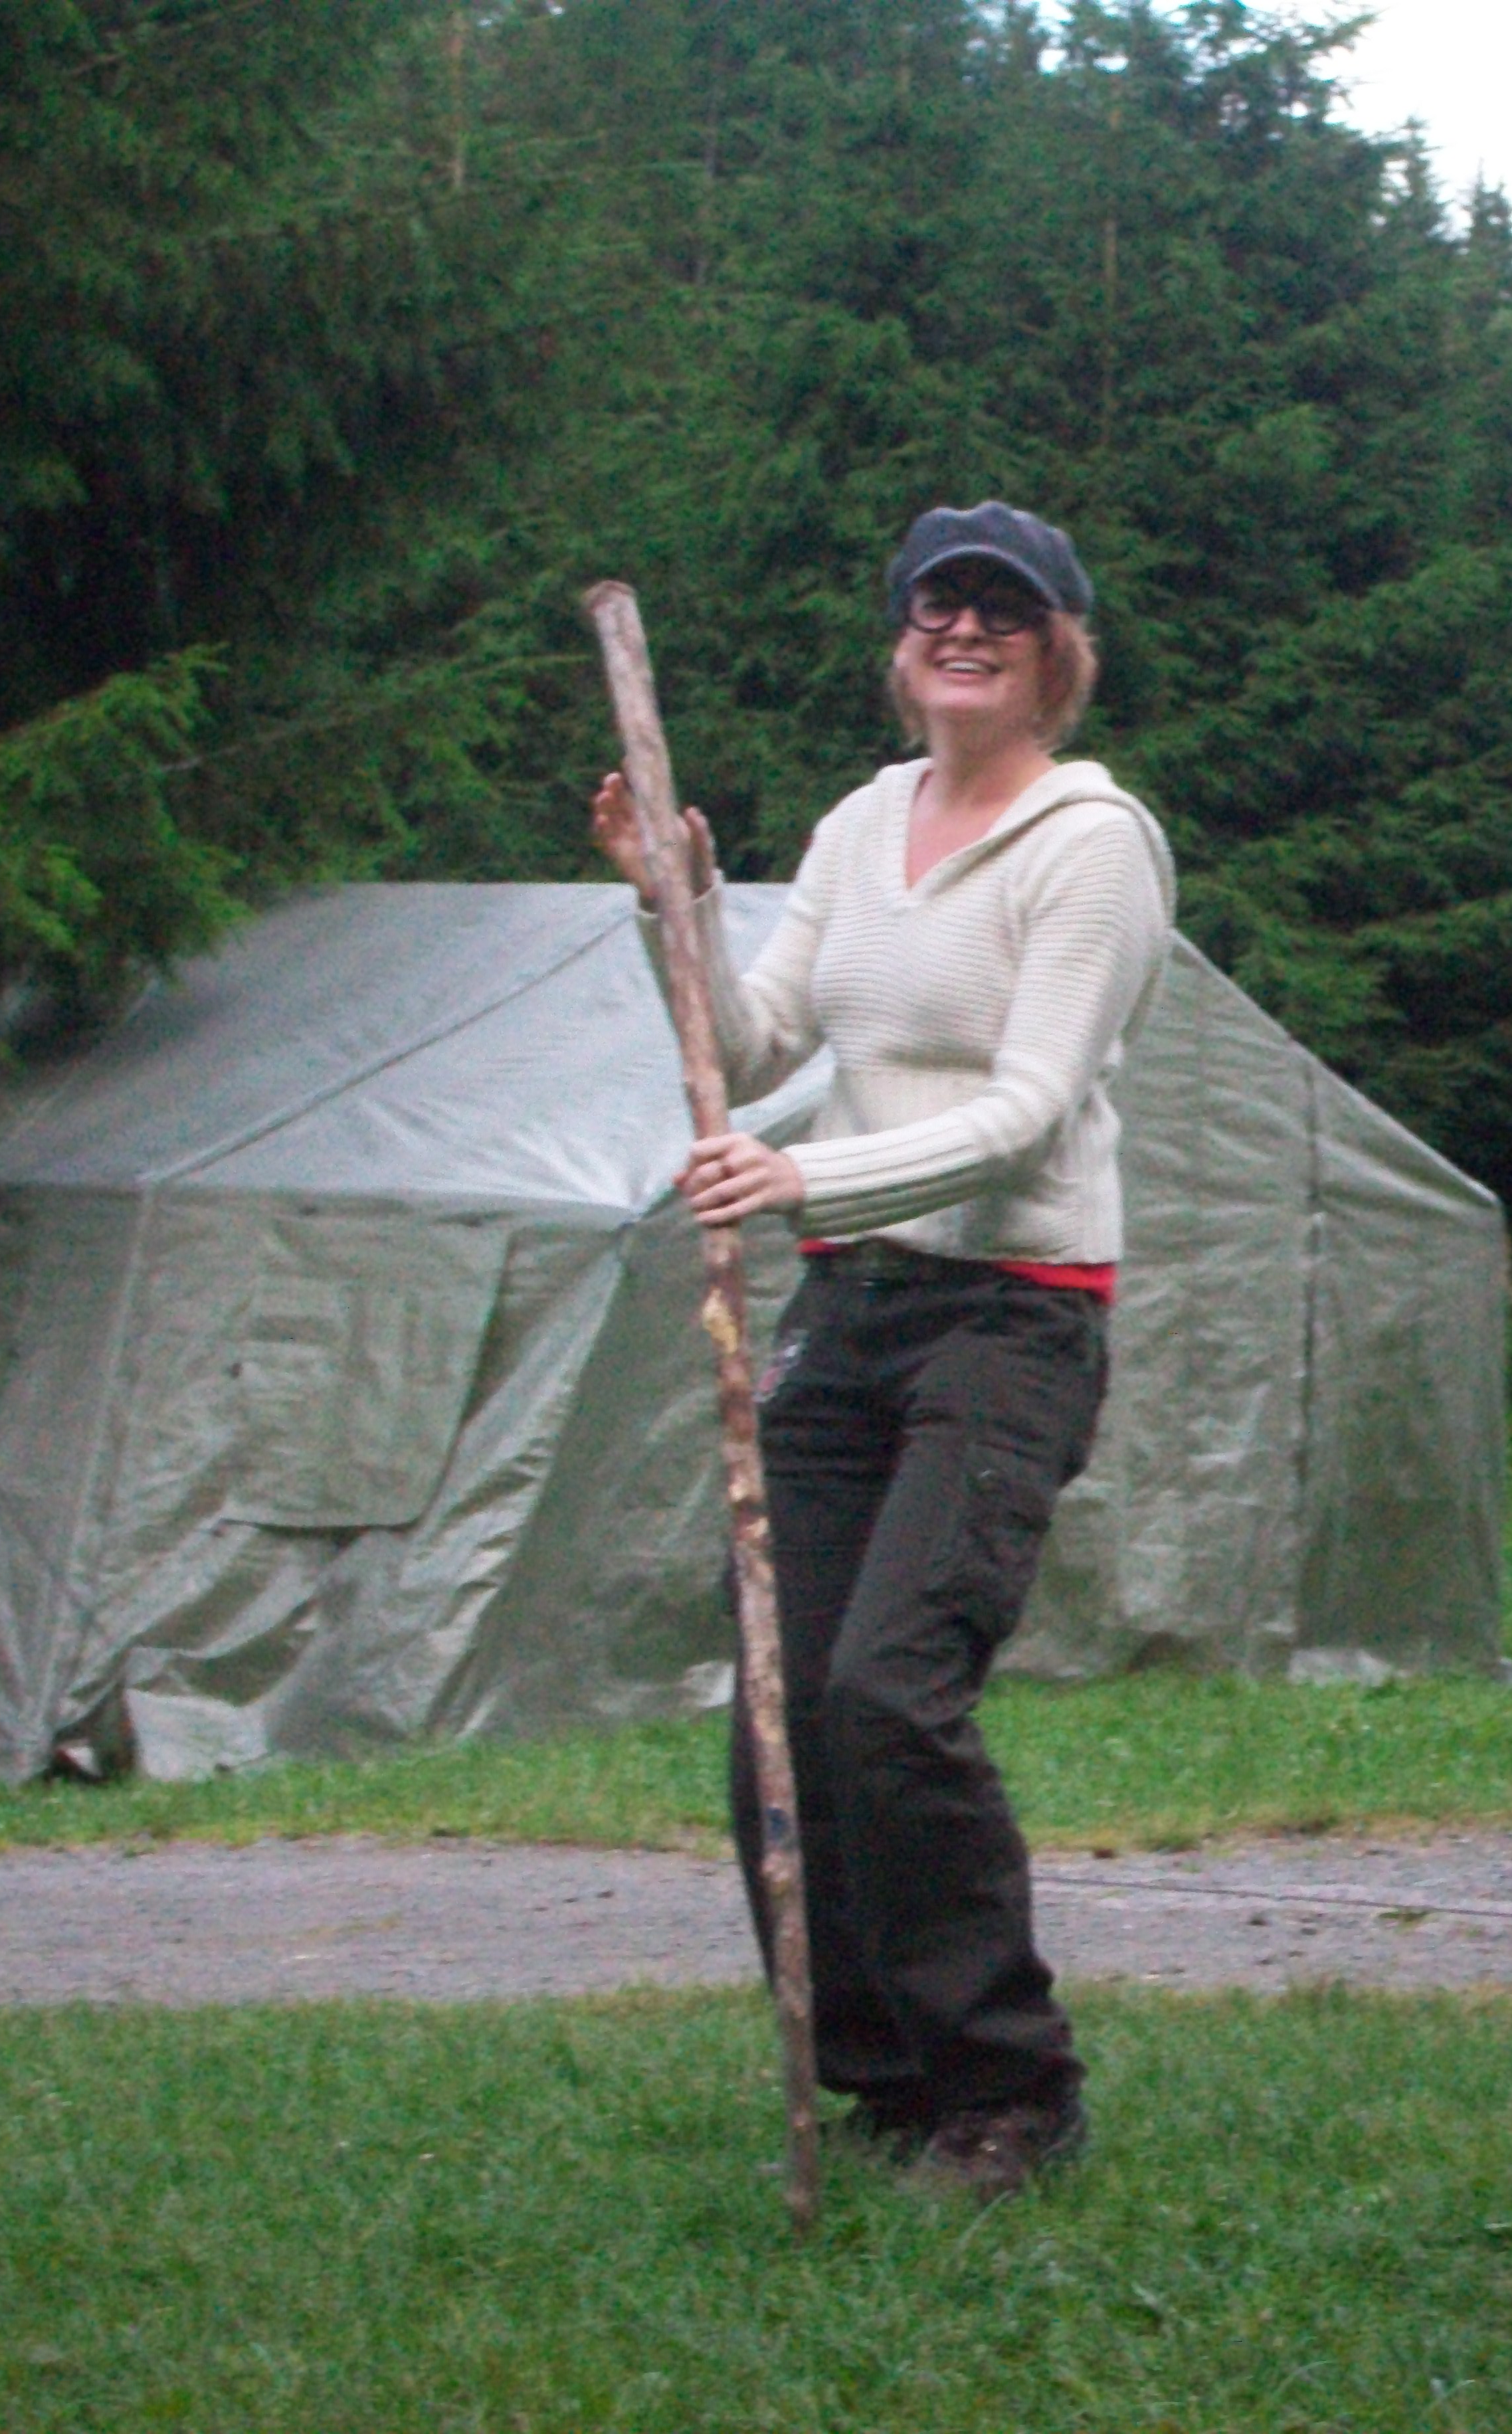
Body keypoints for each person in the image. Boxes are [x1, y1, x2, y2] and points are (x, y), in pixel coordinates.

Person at [592, 500, 1175, 2198]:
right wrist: (675, 903)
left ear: (1057, 651)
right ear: (904, 639)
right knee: (782, 1713)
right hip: (849, 1310)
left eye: (1003, 607)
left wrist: (802, 1176)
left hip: (1012, 1311)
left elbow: (1030, 1110)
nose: (963, 627)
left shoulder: (1092, 843)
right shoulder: (863, 823)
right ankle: (887, 2076)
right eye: (937, 602)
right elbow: (754, 1037)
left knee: (888, 1690)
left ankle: (1011, 2091)